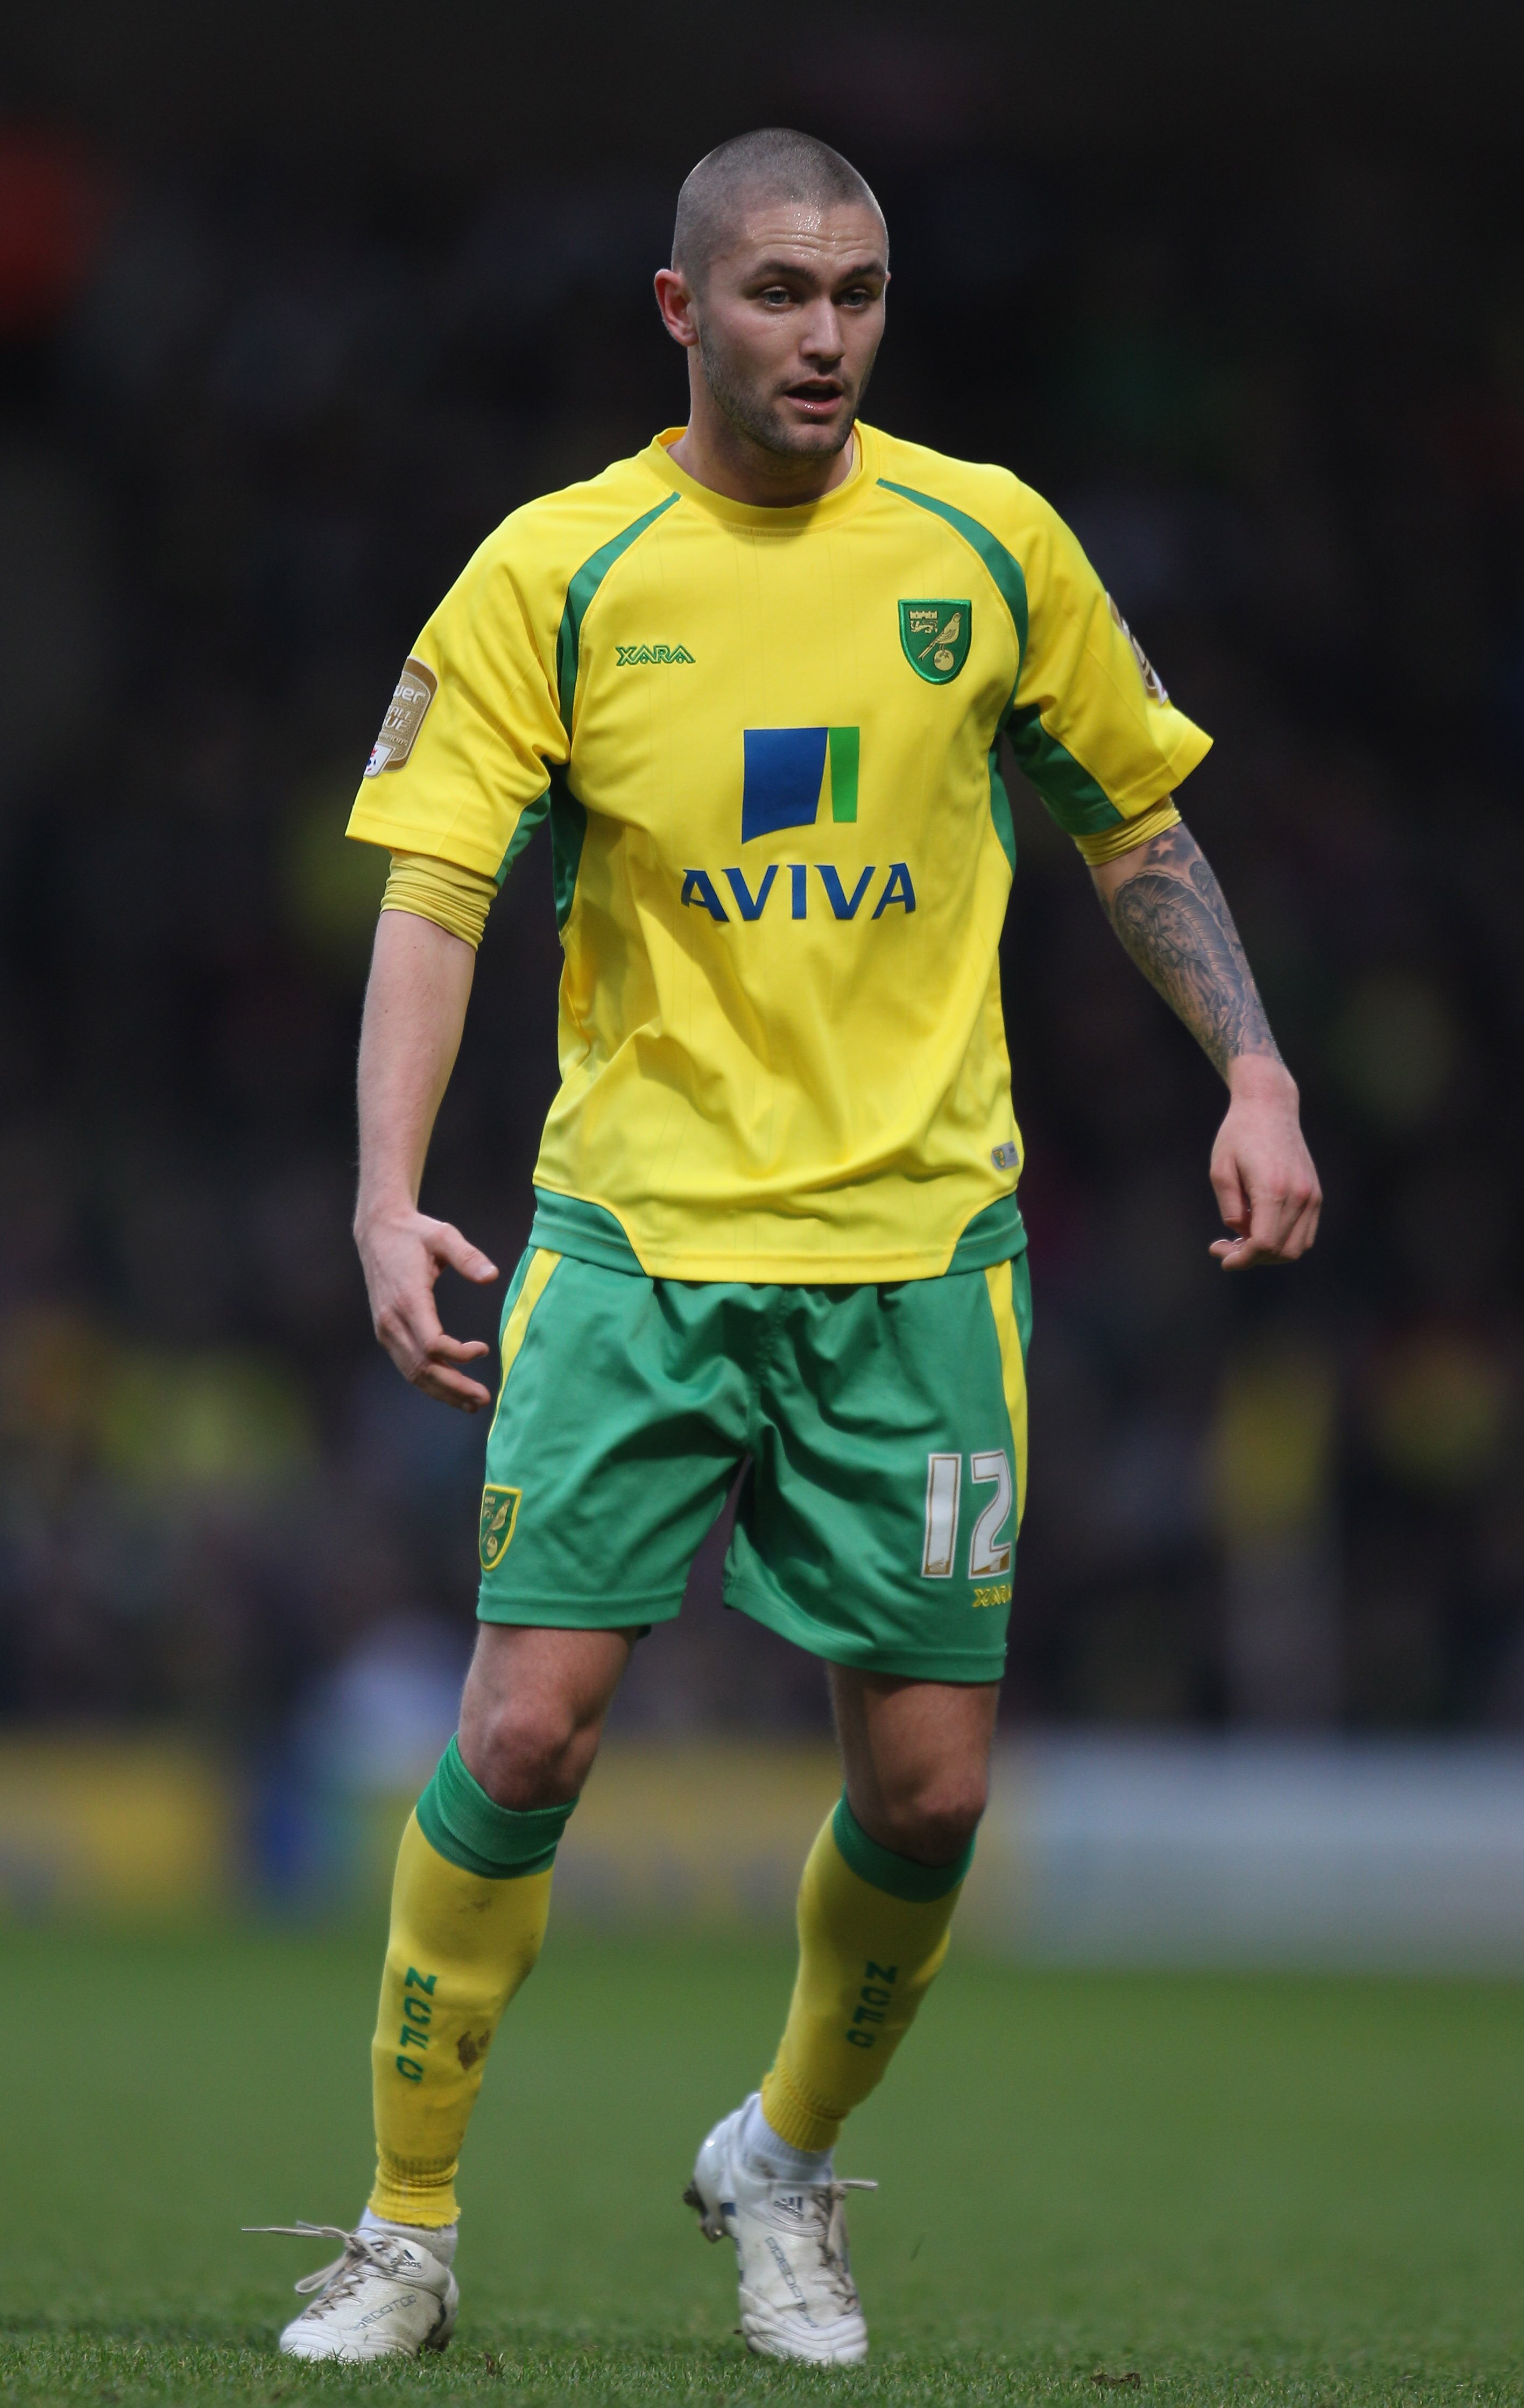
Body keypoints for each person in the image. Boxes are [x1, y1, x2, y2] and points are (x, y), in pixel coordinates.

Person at [254, 126, 1321, 2365]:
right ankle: (408, 2225)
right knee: (526, 1732)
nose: (822, 334)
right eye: (775, 295)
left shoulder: (992, 539)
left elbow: (1137, 820)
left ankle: (783, 2157)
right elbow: (435, 892)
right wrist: (383, 1187)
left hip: (922, 1259)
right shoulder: (556, 571)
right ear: (681, 311)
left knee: (931, 1790)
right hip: (634, 1245)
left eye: (855, 293)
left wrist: (1256, 1068)